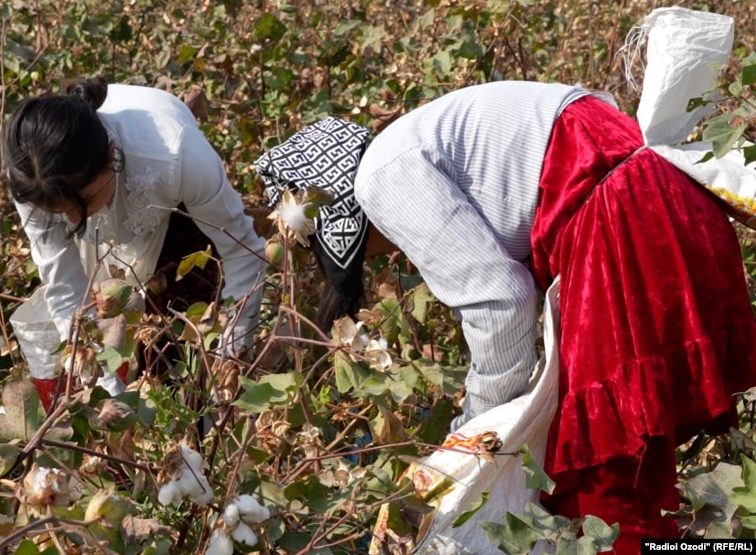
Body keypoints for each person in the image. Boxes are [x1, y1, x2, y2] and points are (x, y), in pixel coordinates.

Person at [255, 80, 756, 553]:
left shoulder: (381, 177)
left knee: (601, 499)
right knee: (639, 476)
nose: (384, 259)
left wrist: (475, 438)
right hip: (664, 205)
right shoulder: (420, 135)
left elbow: (501, 303)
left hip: (623, 232)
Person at [2, 76, 266, 411]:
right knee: (106, 336)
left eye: (81, 203)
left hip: (174, 210)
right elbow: (65, 289)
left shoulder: (178, 156)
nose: (70, 222)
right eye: (57, 212)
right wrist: (105, 388)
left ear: (112, 155)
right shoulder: (31, 175)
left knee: (179, 350)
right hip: (91, 189)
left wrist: (231, 350)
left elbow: (242, 251)